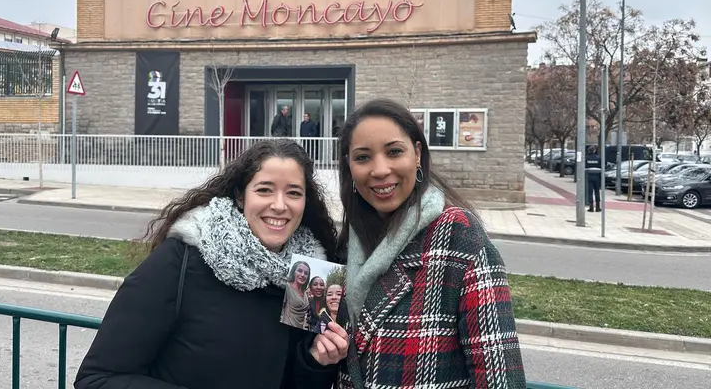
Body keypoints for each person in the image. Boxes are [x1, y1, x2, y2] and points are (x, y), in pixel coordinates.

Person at [74, 139, 348, 389]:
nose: (279, 205)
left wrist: (315, 362)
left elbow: (291, 382)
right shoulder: (180, 260)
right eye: (264, 190)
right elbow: (97, 378)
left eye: (293, 193)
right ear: (241, 196)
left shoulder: (311, 274)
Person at [335, 99, 526, 389]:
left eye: (394, 151)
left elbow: (500, 376)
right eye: (362, 157)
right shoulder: (347, 243)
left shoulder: (459, 236)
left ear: (417, 154)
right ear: (349, 165)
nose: (380, 170)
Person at [281, 261, 312, 329]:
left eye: (306, 273)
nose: (303, 275)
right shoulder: (287, 287)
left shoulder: (305, 293)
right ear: (294, 272)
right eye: (300, 271)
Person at [585, 145, 602, 212]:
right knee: (597, 192)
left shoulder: (587, 158)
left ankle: (591, 207)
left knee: (590, 192)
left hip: (589, 176)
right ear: (595, 150)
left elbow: (585, 167)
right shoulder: (599, 158)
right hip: (597, 176)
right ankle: (598, 207)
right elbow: (601, 167)